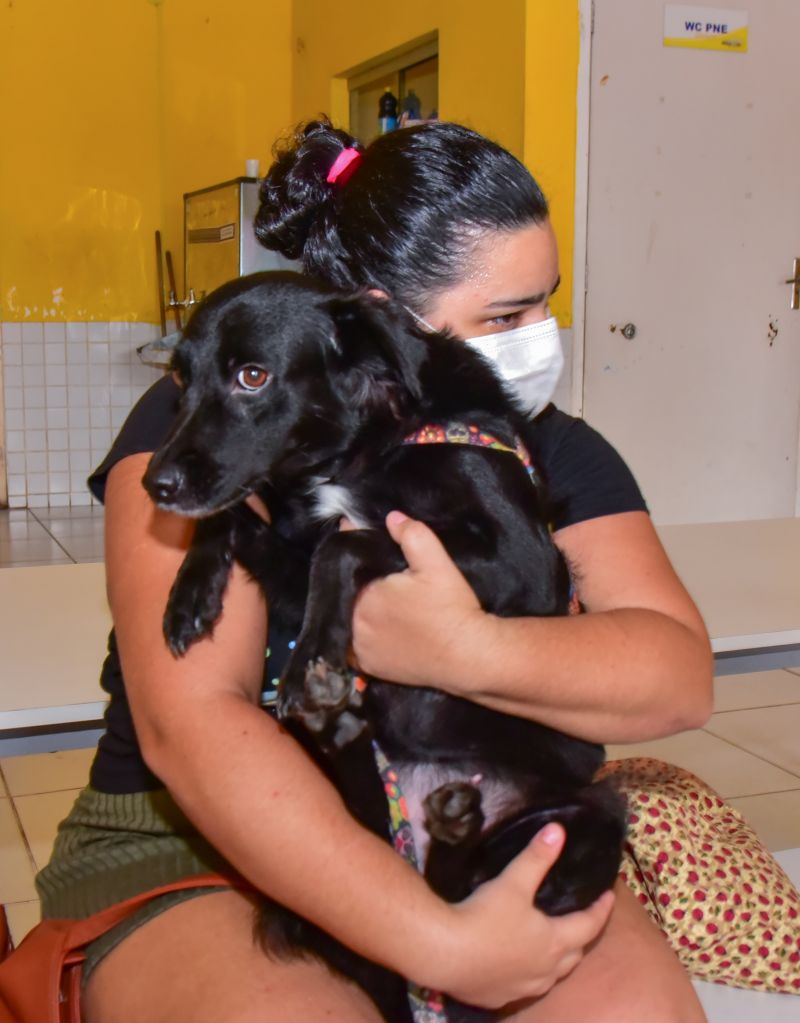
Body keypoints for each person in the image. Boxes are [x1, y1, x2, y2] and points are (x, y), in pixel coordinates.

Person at [37, 118, 713, 1023]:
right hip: (199, 840)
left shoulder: (540, 443)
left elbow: (674, 680)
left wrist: (462, 649)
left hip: (470, 810)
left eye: (547, 303)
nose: (539, 339)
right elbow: (192, 726)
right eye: (505, 316)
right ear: (377, 321)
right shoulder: (207, 436)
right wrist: (444, 946)